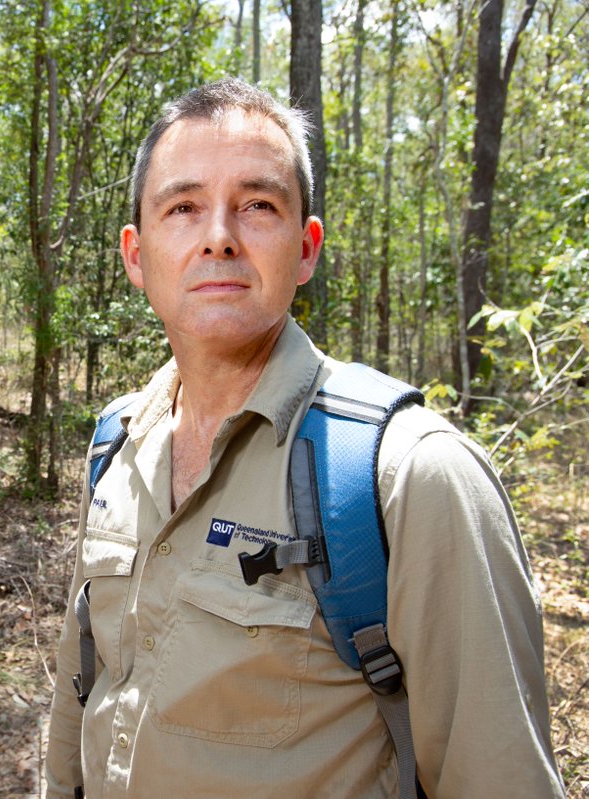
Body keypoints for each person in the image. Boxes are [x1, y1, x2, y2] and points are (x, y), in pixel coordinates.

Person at [44, 78, 563, 798]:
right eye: (184, 207)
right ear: (136, 255)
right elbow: (83, 692)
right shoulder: (116, 443)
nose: (219, 234)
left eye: (258, 205)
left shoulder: (410, 476)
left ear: (307, 247)